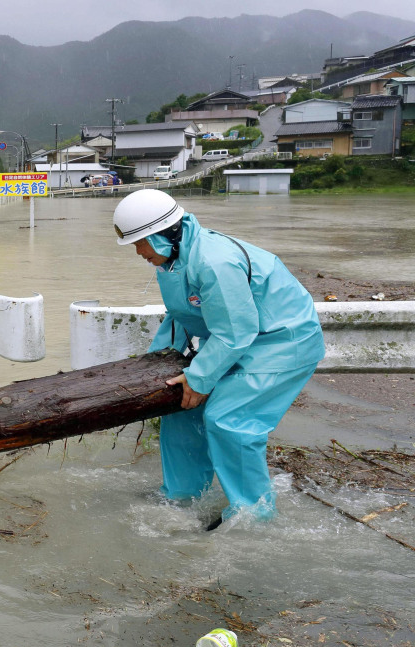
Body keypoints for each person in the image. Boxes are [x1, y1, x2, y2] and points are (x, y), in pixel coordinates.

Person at [112, 189, 324, 525]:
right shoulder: (173, 260)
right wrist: (154, 367)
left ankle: (252, 516)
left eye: (140, 243)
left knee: (229, 418)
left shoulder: (214, 262)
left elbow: (236, 331)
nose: (139, 252)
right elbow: (180, 317)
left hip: (281, 342)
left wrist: (200, 377)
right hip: (234, 339)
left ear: (164, 235)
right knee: (181, 406)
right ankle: (182, 496)